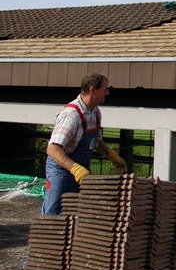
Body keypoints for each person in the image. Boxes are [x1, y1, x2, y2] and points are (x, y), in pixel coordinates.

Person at [42, 73, 127, 215]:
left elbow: (95, 140)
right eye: (105, 89)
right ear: (93, 90)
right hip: (62, 171)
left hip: (81, 169)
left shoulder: (95, 113)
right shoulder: (71, 114)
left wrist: (109, 153)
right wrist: (75, 169)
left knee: (78, 213)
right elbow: (53, 149)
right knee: (55, 212)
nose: (108, 93)